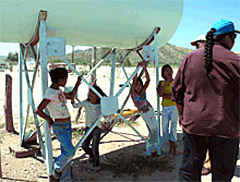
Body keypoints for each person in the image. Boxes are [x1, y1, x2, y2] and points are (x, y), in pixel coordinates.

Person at [172, 19, 240, 181]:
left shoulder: (190, 59)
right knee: (222, 176)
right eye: (234, 38)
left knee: (189, 172)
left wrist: (182, 117)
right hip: (227, 129)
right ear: (228, 37)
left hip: (195, 126)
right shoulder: (236, 62)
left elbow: (177, 93)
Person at [36, 68, 82, 181]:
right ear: (60, 79)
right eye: (65, 79)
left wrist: (77, 83)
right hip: (60, 126)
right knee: (70, 152)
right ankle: (55, 168)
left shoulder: (59, 91)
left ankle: (66, 179)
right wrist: (48, 119)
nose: (66, 81)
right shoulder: (50, 93)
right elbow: (38, 110)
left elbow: (71, 95)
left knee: (65, 153)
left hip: (66, 124)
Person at [72, 85, 107, 172]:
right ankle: (92, 156)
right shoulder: (86, 103)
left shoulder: (101, 105)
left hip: (96, 129)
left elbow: (107, 113)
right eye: (90, 92)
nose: (90, 94)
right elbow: (75, 106)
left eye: (93, 93)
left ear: (98, 96)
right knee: (84, 145)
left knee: (95, 147)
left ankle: (96, 165)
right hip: (88, 128)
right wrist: (72, 99)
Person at [191, 34, 211, 176]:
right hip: (198, 105)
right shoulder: (192, 61)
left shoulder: (213, 60)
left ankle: (208, 164)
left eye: (199, 44)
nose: (198, 47)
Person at [130, 60, 159, 156]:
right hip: (144, 113)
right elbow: (134, 81)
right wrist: (137, 69)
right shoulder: (133, 94)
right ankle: (149, 146)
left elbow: (148, 80)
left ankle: (153, 148)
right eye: (137, 85)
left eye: (140, 84)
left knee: (156, 129)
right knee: (152, 129)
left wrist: (145, 69)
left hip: (149, 110)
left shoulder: (142, 91)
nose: (138, 86)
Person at [157, 64, 180, 156]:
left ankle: (172, 147)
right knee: (164, 127)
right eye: (166, 70)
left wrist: (168, 96)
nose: (168, 72)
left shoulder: (176, 82)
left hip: (174, 106)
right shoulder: (161, 83)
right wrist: (167, 82)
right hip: (165, 107)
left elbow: (176, 95)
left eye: (170, 70)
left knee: (173, 126)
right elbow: (160, 93)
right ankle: (172, 145)